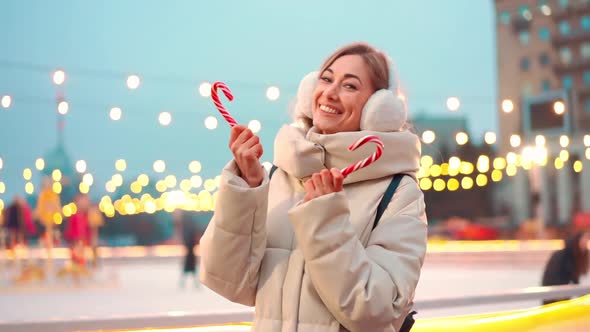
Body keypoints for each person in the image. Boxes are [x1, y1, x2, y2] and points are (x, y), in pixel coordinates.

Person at [199, 42, 427, 332]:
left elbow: (373, 309)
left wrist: (325, 220)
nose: (330, 92)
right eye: (327, 78)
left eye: (350, 86)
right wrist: (247, 187)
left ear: (378, 108)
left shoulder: (399, 193)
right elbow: (229, 281)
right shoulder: (281, 177)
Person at [541, 230, 589, 305]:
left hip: (563, 296)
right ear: (577, 240)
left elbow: (574, 279)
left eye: (587, 239)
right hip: (554, 296)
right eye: (584, 239)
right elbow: (552, 276)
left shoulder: (577, 256)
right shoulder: (562, 255)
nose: (586, 242)